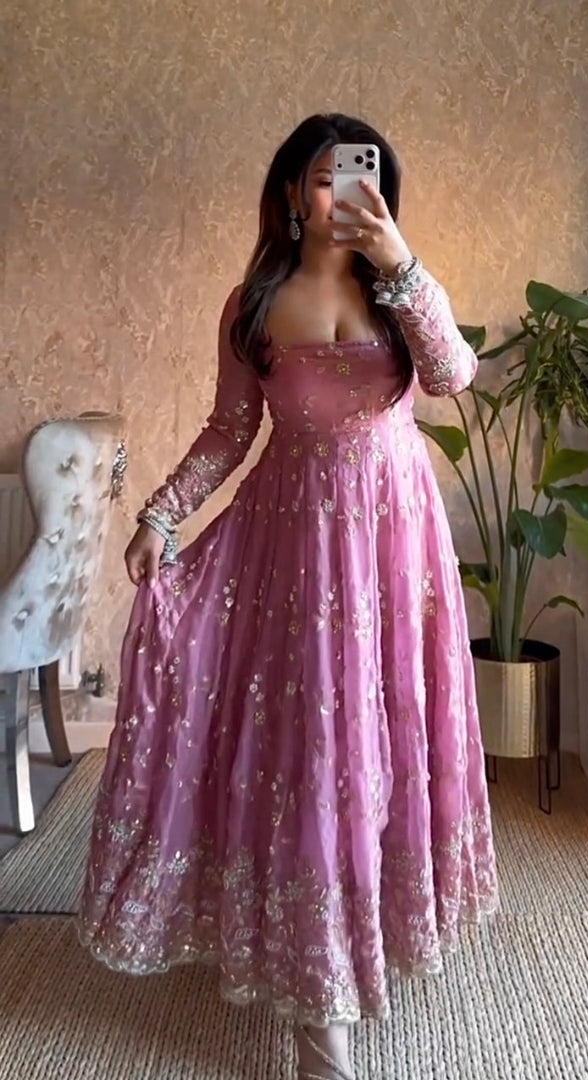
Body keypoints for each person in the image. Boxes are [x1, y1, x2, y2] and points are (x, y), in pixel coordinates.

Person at [77, 113, 499, 1080]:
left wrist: (403, 260)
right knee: (315, 754)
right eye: (323, 180)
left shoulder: (396, 289)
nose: (341, 195)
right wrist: (161, 515)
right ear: (288, 193)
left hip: (396, 550)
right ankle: (322, 1019)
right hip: (295, 551)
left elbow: (455, 377)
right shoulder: (254, 302)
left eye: (360, 179)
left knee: (387, 739)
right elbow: (230, 428)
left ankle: (377, 936)